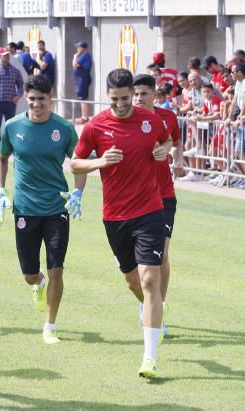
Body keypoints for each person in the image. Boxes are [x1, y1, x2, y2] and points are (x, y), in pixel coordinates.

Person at [70, 69, 171, 379]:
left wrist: (163, 151)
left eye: (126, 99)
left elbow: (166, 142)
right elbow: (75, 162)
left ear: (133, 94)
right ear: (107, 96)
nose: (121, 105)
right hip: (115, 216)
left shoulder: (150, 120)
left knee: (150, 280)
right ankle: (149, 310)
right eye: (115, 100)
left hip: (151, 210)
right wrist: (100, 162)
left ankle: (149, 357)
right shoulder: (96, 125)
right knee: (132, 282)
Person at [0, 75, 85, 344]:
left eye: (41, 100)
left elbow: (79, 163)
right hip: (24, 208)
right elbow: (1, 158)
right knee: (29, 273)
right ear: (26, 98)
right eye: (32, 99)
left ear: (51, 98)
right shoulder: (12, 127)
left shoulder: (64, 128)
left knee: (57, 267)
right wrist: (0, 189)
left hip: (57, 207)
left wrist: (78, 191)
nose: (36, 104)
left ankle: (50, 325)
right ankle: (38, 284)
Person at [132, 74, 181, 329]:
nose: (139, 99)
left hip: (163, 195)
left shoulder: (167, 118)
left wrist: (177, 158)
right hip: (133, 198)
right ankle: (147, 300)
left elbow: (175, 140)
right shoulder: (126, 120)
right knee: (132, 266)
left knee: (161, 256)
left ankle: (157, 306)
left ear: (155, 95)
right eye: (135, 94)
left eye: (143, 94)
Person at [72, 41, 93, 123]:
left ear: (82, 48)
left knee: (83, 99)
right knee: (83, 99)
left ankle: (84, 117)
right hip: (81, 80)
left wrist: (75, 56)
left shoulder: (84, 56)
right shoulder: (84, 56)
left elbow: (75, 65)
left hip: (83, 80)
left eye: (78, 47)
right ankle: (84, 116)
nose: (77, 49)